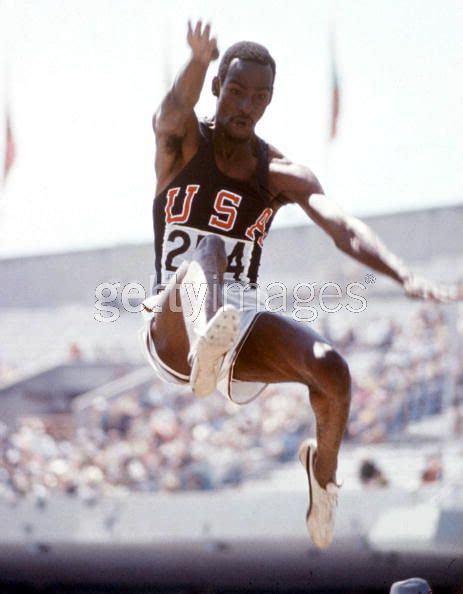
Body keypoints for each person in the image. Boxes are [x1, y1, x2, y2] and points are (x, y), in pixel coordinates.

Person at [139, 21, 462, 549]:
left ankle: (324, 479)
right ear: (218, 86)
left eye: (258, 98)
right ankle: (205, 346)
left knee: (331, 368)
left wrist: (402, 272)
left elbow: (343, 227)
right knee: (211, 249)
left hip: (234, 327)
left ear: (268, 103)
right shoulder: (182, 141)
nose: (244, 106)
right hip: (173, 324)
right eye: (236, 91)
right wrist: (197, 60)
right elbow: (170, 110)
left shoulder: (281, 172)